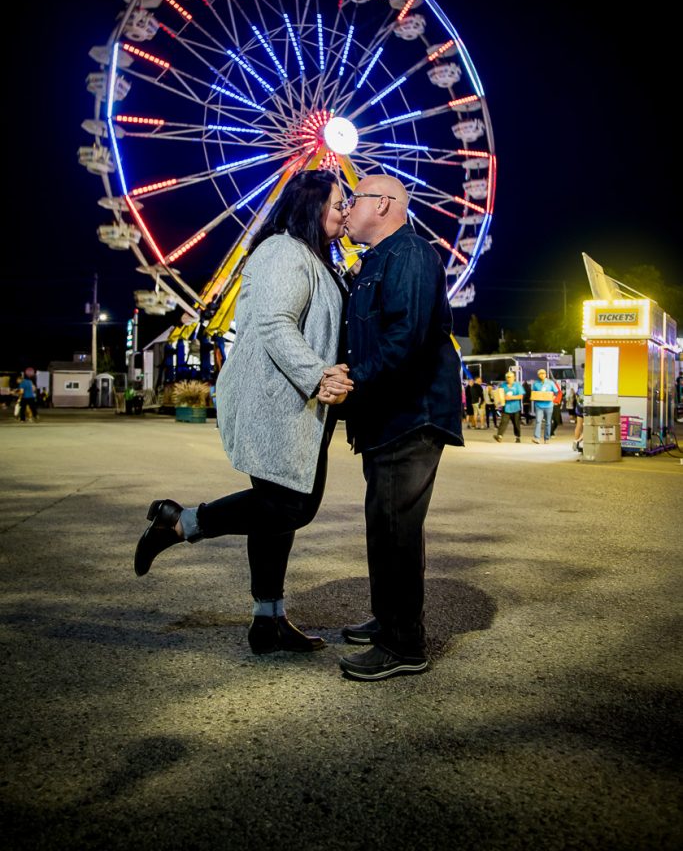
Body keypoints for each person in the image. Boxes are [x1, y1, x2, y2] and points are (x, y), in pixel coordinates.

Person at [134, 170, 352, 655]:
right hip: (275, 399)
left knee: (280, 513)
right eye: (339, 203)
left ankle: (267, 620)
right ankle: (179, 522)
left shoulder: (312, 257)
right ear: (310, 206)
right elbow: (276, 323)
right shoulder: (282, 251)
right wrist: (317, 374)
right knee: (291, 505)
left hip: (297, 402)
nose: (344, 211)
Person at [321, 174, 463, 681]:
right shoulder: (376, 262)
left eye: (354, 199)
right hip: (386, 415)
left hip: (411, 413)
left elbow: (407, 337)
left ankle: (404, 644)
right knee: (384, 524)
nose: (347, 207)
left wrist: (351, 380)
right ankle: (389, 620)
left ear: (383, 204)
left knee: (396, 526)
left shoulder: (411, 255)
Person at [493, 371, 524, 442]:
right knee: (503, 422)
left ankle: (517, 437)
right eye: (507, 377)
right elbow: (499, 394)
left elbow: (521, 396)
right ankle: (499, 436)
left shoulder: (517, 385)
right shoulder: (503, 385)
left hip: (516, 408)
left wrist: (511, 397)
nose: (508, 379)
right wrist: (497, 403)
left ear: (514, 378)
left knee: (516, 424)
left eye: (509, 377)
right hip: (506, 408)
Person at [531, 368, 558, 444]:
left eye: (543, 373)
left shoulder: (550, 383)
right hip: (539, 405)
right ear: (538, 375)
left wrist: (553, 398)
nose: (542, 375)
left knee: (548, 422)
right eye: (540, 374)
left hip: (549, 405)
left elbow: (556, 392)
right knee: (538, 421)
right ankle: (537, 438)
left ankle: (547, 438)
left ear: (546, 374)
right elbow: (533, 393)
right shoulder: (535, 384)